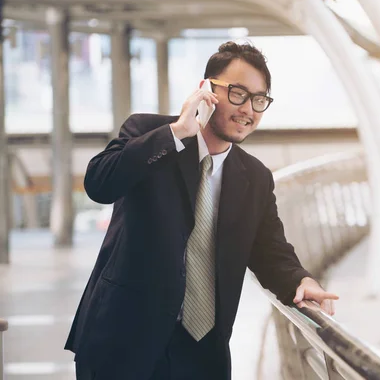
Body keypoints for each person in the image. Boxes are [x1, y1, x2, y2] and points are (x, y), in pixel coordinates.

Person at [65, 41, 339, 380]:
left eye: (259, 100)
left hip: (202, 354)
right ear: (205, 90)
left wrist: (300, 279)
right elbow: (99, 183)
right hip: (122, 341)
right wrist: (178, 132)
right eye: (237, 93)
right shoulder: (149, 133)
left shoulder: (254, 177)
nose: (247, 109)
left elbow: (269, 251)